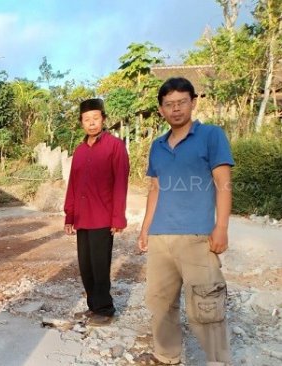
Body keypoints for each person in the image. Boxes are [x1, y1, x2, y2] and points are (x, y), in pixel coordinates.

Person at [136, 77, 233, 365]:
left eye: (181, 102)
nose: (176, 109)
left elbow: (223, 183)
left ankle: (218, 361)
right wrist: (145, 228)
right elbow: (155, 189)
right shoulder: (158, 146)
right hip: (160, 238)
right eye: (169, 104)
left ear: (193, 102)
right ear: (161, 110)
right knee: (160, 302)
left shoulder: (211, 136)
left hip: (197, 237)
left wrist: (222, 227)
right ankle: (166, 356)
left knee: (206, 305)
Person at [64, 98, 129, 326]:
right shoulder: (80, 150)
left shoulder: (115, 146)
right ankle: (93, 306)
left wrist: (118, 217)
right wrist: (69, 215)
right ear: (81, 122)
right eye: (86, 119)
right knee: (86, 266)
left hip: (102, 217)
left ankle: (105, 310)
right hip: (82, 218)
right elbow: (73, 183)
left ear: (103, 118)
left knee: (100, 266)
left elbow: (121, 183)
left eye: (95, 118)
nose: (91, 123)